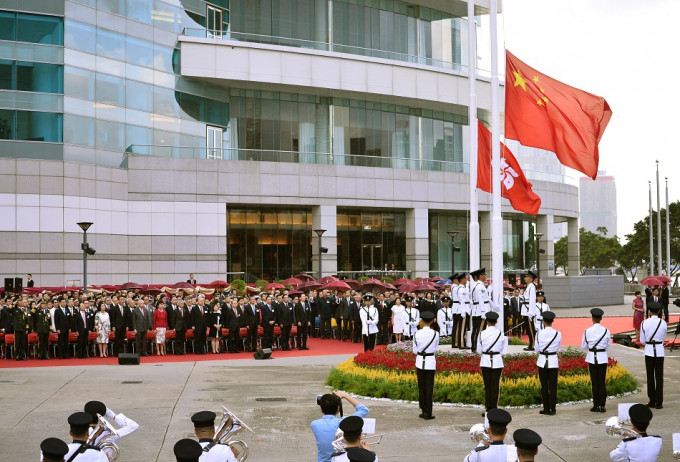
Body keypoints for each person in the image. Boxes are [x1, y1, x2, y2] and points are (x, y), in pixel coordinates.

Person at [311, 391, 369, 462]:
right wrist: (345, 395)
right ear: (338, 409)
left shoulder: (314, 424)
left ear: (321, 409)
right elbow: (364, 410)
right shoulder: (344, 422)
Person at [477, 311, 507, 414]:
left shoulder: (482, 334)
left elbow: (479, 350)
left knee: (487, 386)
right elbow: (503, 349)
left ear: (487, 321)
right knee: (495, 386)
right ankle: (494, 408)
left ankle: (487, 408)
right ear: (496, 321)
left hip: (485, 361)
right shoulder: (500, 333)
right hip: (497, 361)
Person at [581, 308, 610, 413]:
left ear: (592, 318)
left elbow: (583, 346)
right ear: (601, 318)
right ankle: (603, 405)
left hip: (592, 357)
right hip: (602, 357)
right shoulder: (606, 330)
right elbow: (607, 347)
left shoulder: (587, 331)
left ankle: (596, 405)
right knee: (602, 382)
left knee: (594, 382)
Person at [640, 302, 667, 409]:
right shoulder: (663, 323)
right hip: (659, 351)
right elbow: (663, 338)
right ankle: (659, 402)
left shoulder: (644, 323)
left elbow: (642, 341)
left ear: (649, 311)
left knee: (650, 376)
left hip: (649, 351)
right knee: (659, 377)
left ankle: (652, 400)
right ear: (659, 311)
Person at [534, 311, 561, 415]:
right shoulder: (558, 333)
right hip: (553, 360)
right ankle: (552, 409)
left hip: (542, 361)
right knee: (553, 386)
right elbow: (558, 347)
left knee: (544, 386)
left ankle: (545, 408)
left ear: (544, 321)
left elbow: (536, 349)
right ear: (552, 321)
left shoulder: (539, 333)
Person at [413, 311, 439, 420]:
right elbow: (436, 348)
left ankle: (423, 409)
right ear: (432, 321)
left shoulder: (417, 333)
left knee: (421, 387)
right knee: (429, 387)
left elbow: (415, 351)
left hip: (420, 361)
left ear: (422, 321)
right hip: (430, 361)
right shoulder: (435, 334)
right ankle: (429, 412)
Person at [521, 271, 537, 350]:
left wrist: (531, 313)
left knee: (531, 329)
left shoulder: (532, 287)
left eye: (526, 277)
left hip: (528, 311)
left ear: (531, 279)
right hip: (525, 310)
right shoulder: (528, 287)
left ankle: (533, 345)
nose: (525, 278)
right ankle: (531, 344)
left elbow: (532, 300)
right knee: (528, 328)